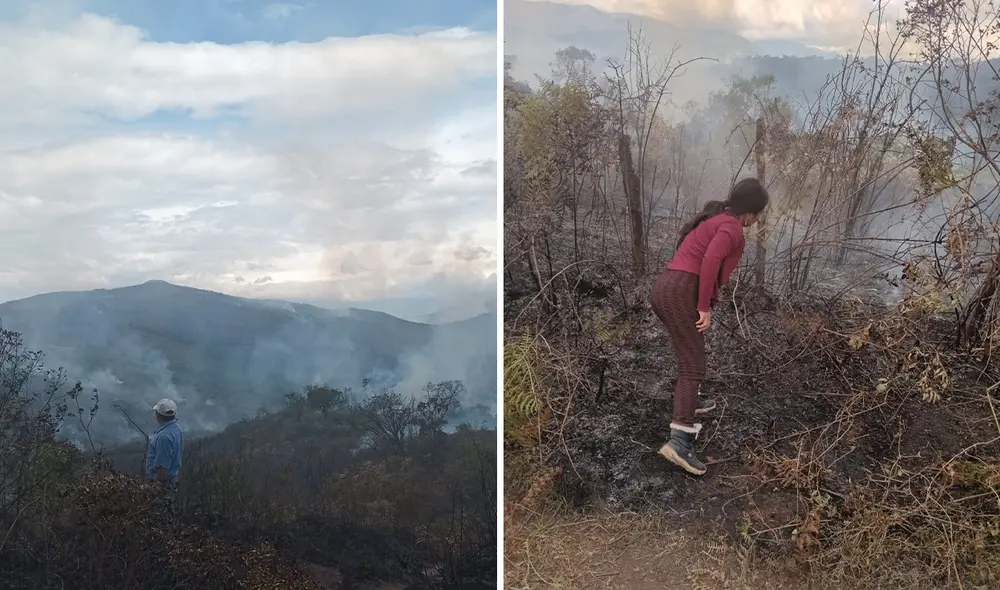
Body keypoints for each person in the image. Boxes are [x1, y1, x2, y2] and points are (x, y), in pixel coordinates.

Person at [650, 178, 769, 476]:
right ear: (751, 213)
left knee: (691, 355)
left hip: (666, 286)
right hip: (680, 291)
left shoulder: (717, 217)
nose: (758, 220)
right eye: (760, 214)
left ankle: (690, 403)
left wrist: (702, 300)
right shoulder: (731, 226)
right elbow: (712, 259)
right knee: (693, 367)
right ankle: (679, 442)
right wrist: (703, 305)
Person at [147, 398, 184, 518]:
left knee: (160, 516)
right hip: (173, 479)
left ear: (158, 414)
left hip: (163, 482)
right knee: (168, 512)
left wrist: (155, 489)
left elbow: (162, 467)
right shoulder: (177, 428)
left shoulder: (163, 437)